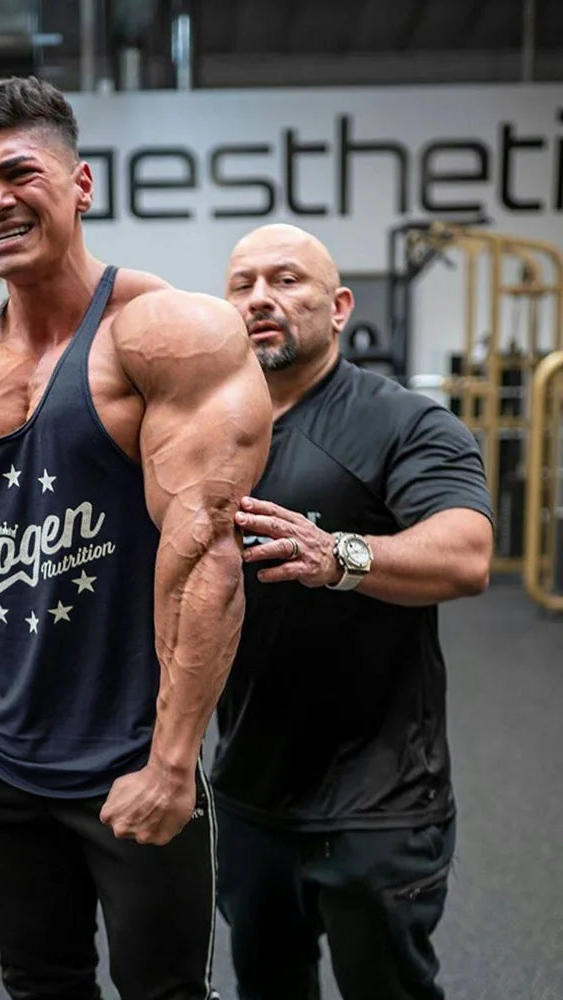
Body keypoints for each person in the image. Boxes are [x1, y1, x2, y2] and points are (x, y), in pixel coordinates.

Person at [0, 76, 271, 1000]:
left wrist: (172, 765)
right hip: (2, 761)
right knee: (38, 982)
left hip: (133, 756)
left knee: (165, 994)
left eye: (19, 173)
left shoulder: (166, 336)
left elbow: (206, 558)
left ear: (81, 185)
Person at [211, 223, 494, 1000]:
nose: (260, 298)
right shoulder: (206, 428)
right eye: (242, 284)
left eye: (286, 279)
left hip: (377, 799)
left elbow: (467, 553)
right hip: (248, 784)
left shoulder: (404, 421)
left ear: (338, 307)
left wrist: (342, 556)